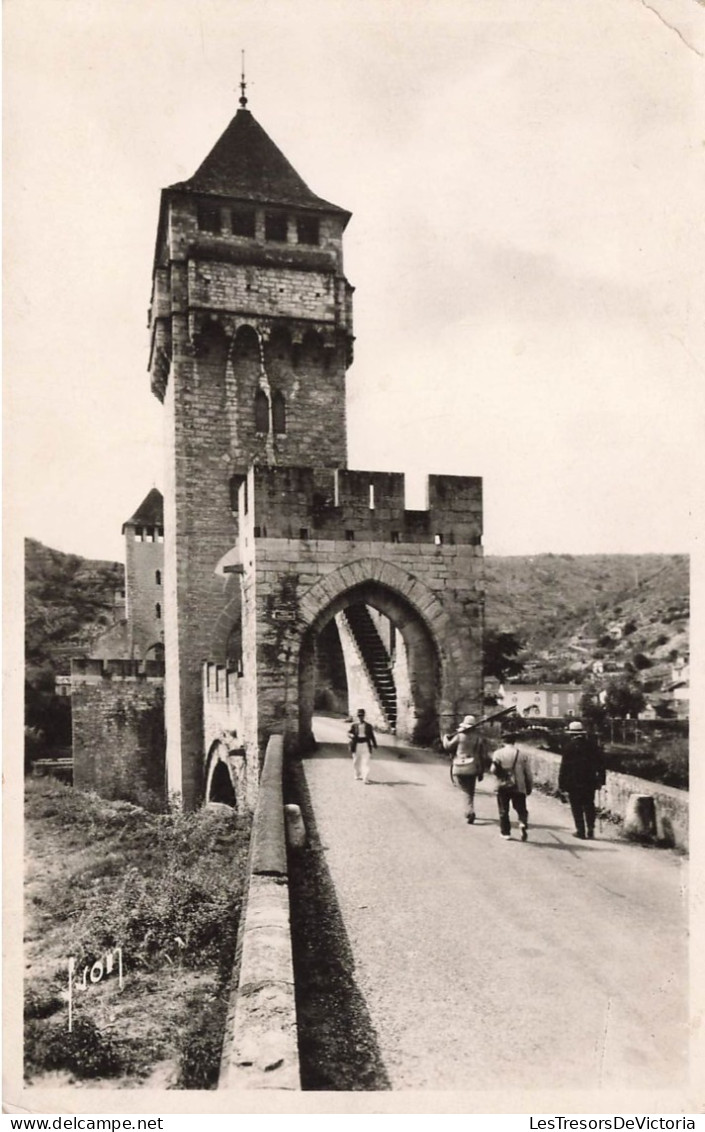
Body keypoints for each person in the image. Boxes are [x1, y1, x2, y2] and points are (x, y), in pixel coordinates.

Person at [558, 719, 606, 839]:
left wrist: (561, 784)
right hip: (590, 781)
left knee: (576, 806)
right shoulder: (592, 746)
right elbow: (601, 764)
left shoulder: (568, 747)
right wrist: (601, 779)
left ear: (572, 734)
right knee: (589, 804)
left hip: (573, 782)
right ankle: (591, 829)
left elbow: (564, 768)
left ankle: (581, 830)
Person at [443, 714, 488, 824]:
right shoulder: (478, 738)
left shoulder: (459, 736)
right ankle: (469, 810)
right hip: (472, 767)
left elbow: (448, 747)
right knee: (469, 791)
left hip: (458, 767)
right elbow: (483, 756)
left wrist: (445, 737)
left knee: (464, 789)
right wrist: (481, 771)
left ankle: (469, 812)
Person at [490, 740, 533, 841]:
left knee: (503, 809)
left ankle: (505, 833)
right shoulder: (522, 754)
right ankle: (522, 823)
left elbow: (493, 770)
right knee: (521, 808)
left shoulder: (498, 753)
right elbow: (528, 773)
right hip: (518, 785)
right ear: (514, 742)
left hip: (502, 785)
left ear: (503, 742)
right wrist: (529, 786)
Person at [348, 708, 378, 784]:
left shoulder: (368, 726)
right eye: (359, 716)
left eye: (362, 715)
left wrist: (374, 744)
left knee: (366, 762)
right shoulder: (354, 725)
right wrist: (351, 735)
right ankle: (357, 774)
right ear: (357, 716)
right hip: (356, 744)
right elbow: (349, 733)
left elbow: (372, 736)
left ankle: (365, 778)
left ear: (364, 716)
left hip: (365, 745)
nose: (360, 717)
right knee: (356, 761)